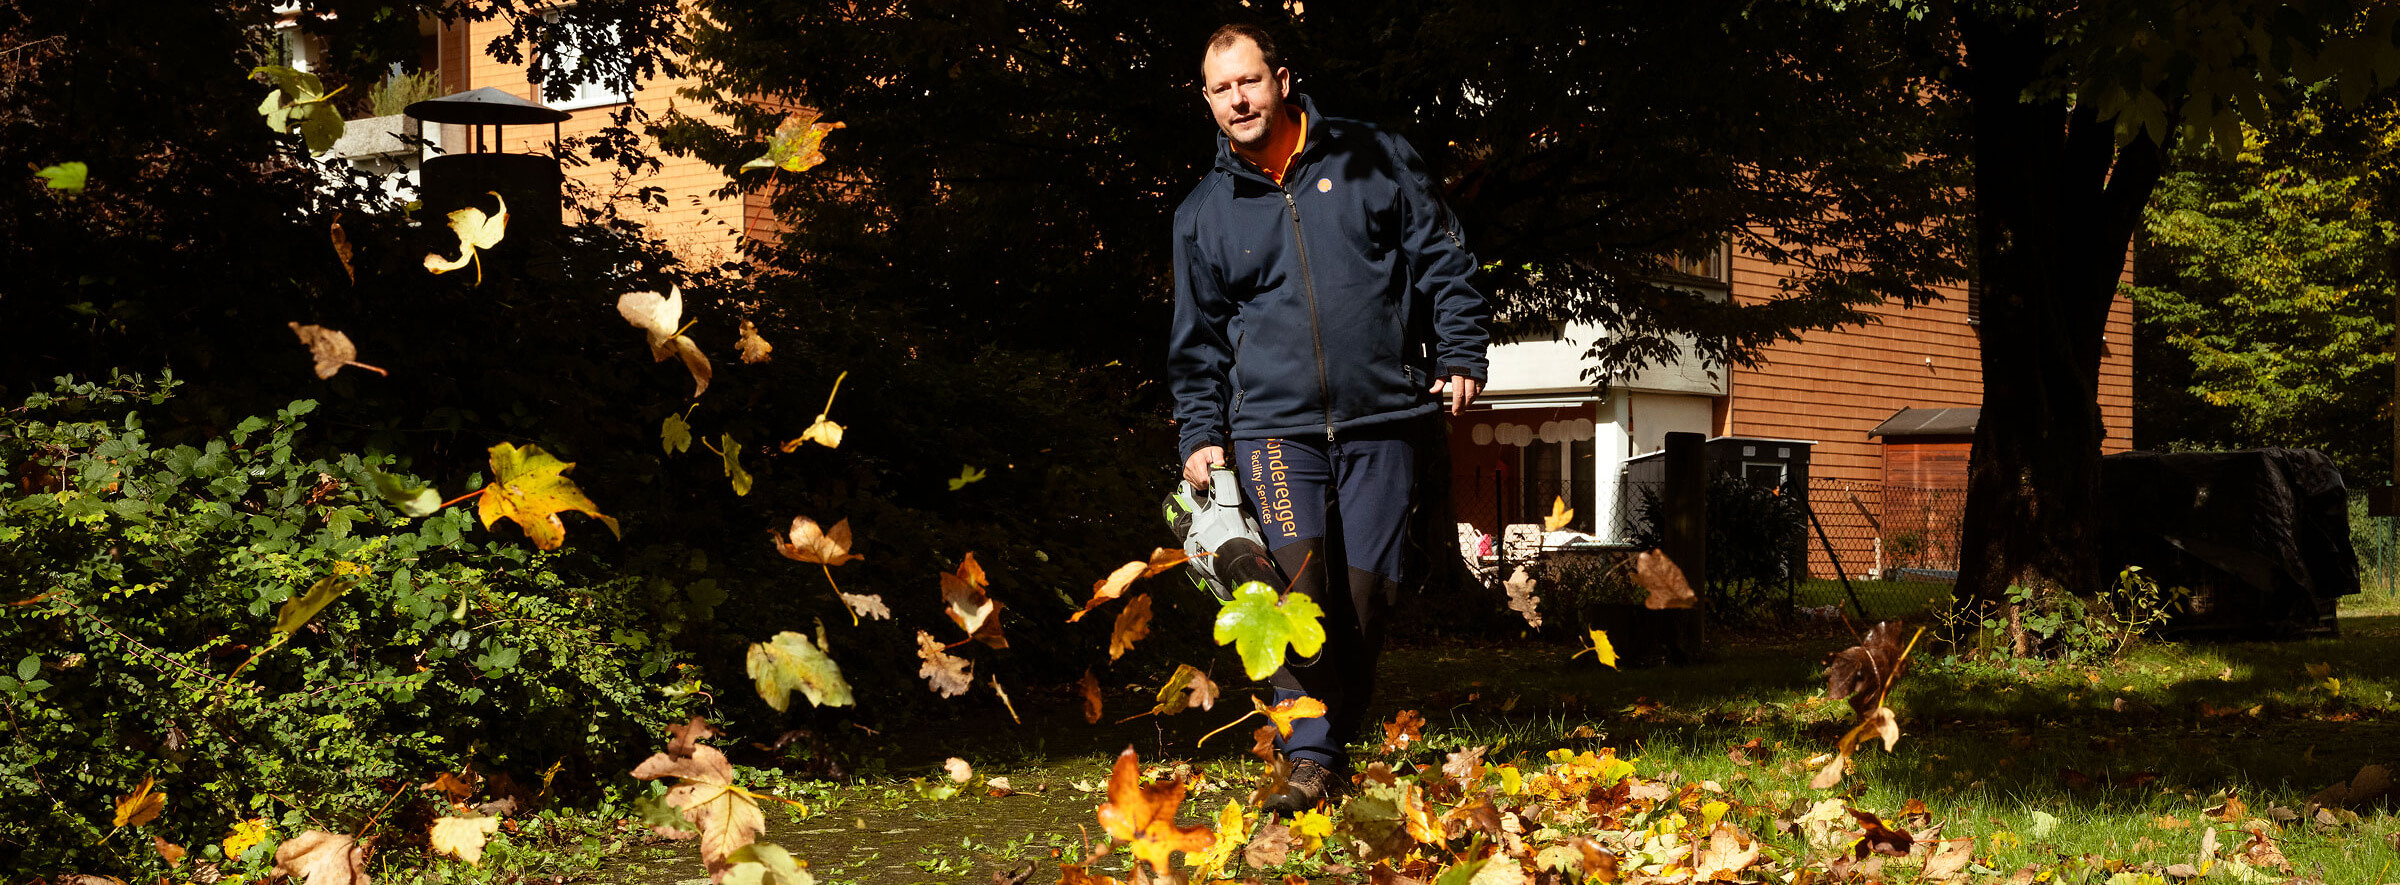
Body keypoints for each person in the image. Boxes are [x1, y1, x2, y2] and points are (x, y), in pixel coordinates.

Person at [1166, 22, 1491, 814]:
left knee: (1367, 596)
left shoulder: (1372, 157)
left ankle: (1328, 738)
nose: (1238, 99)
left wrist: (1459, 353)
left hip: (1382, 416)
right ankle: (1309, 754)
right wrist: (1201, 435)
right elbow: (1197, 341)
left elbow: (1443, 257)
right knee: (1287, 597)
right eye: (1221, 89)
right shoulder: (1204, 214)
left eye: (1249, 81)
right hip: (1272, 431)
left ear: (1281, 79)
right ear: (1207, 101)